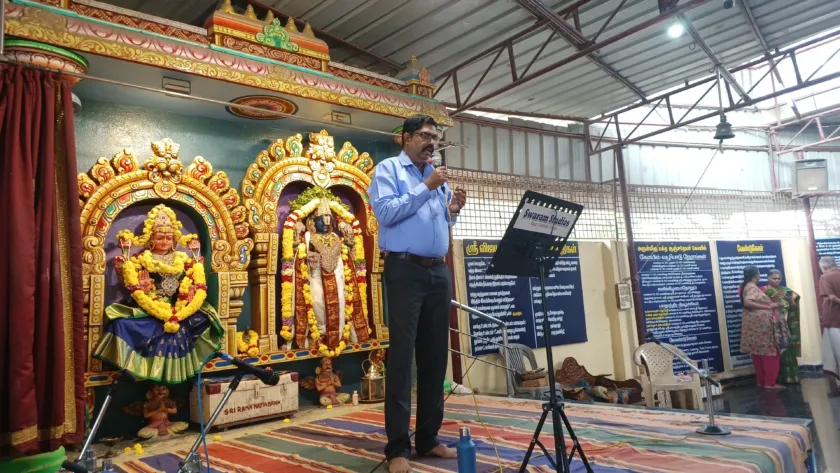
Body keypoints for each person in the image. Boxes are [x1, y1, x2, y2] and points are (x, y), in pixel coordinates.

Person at [370, 114, 467, 473]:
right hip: (405, 270)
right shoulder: (389, 170)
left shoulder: (436, 178)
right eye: (425, 136)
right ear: (406, 138)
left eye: (435, 138)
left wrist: (452, 210)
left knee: (434, 356)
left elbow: (437, 219)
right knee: (402, 358)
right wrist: (426, 186)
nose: (431, 143)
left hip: (438, 271)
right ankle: (397, 448)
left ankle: (428, 437)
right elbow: (386, 213)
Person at [739, 266, 784, 389]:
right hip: (762, 326)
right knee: (771, 352)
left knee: (758, 353)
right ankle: (770, 383)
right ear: (756, 275)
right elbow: (748, 302)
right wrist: (768, 306)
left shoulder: (745, 286)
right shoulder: (752, 287)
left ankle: (762, 381)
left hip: (755, 325)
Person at [761, 269, 801, 384]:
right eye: (774, 278)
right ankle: (775, 378)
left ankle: (791, 376)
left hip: (783, 325)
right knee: (773, 351)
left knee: (787, 348)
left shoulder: (785, 291)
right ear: (768, 278)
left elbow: (794, 306)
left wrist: (791, 301)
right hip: (769, 324)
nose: (777, 280)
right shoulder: (762, 290)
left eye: (779, 278)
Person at [817, 256, 840, 397]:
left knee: (836, 352)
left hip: (833, 319)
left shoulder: (825, 277)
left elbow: (831, 297)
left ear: (824, 267)